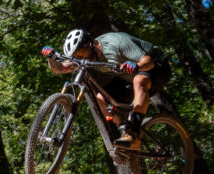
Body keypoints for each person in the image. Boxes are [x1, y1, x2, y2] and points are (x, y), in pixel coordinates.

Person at [41, 29, 171, 149]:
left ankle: (134, 134)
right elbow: (60, 68)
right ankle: (123, 130)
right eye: (76, 56)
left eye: (80, 53)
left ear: (89, 44)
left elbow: (148, 61)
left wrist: (136, 66)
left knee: (139, 80)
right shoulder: (85, 57)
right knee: (100, 97)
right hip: (129, 77)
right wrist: (50, 58)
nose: (79, 58)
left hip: (157, 67)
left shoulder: (117, 42)